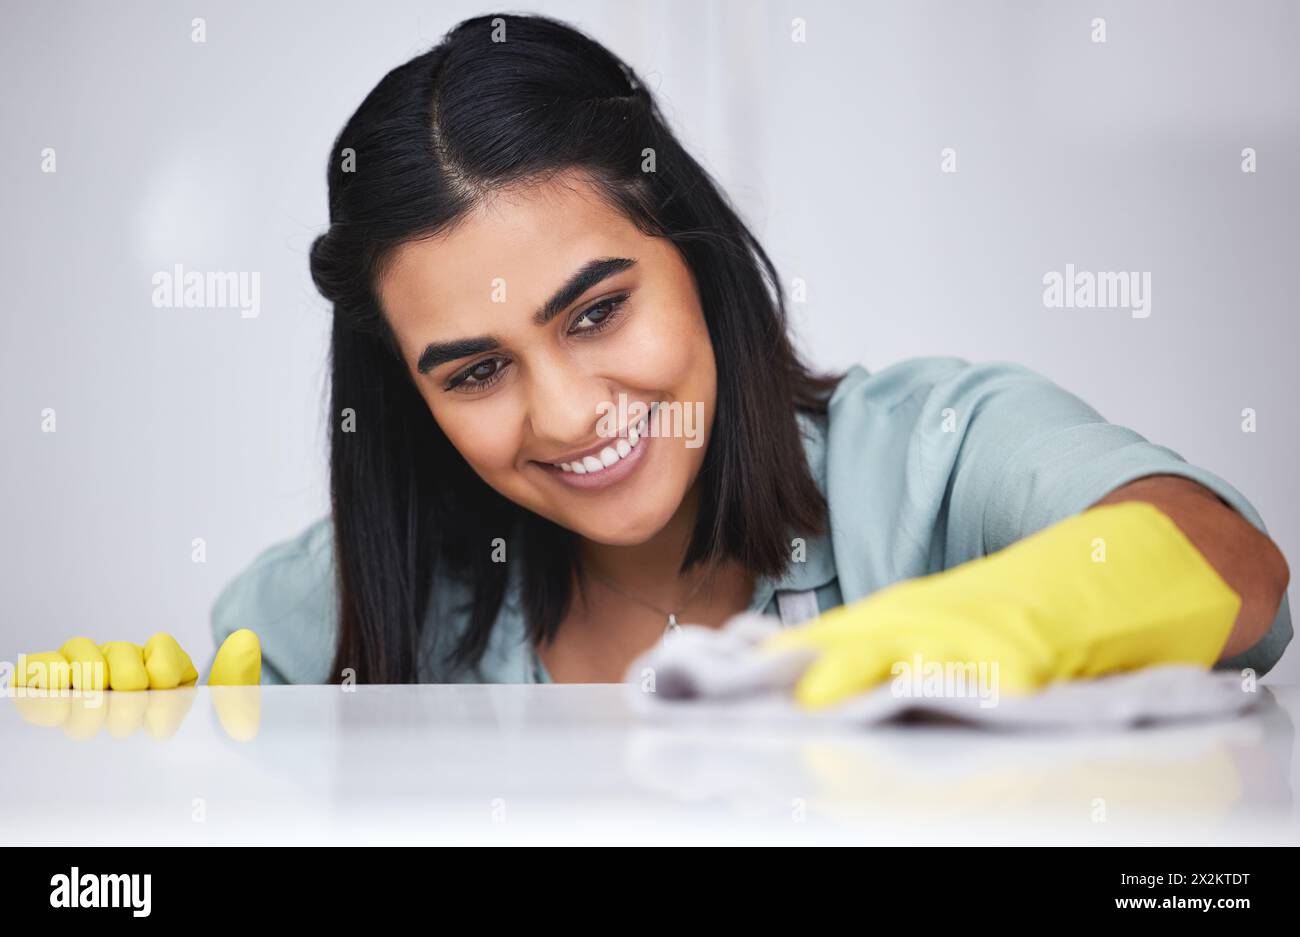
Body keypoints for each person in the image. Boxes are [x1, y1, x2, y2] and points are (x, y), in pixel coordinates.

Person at [210, 13, 1291, 696]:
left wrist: (986, 619)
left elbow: (1233, 565)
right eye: (476, 371)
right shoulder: (370, 591)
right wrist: (122, 721)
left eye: (595, 312)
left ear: (695, 254)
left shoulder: (925, 458)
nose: (568, 412)